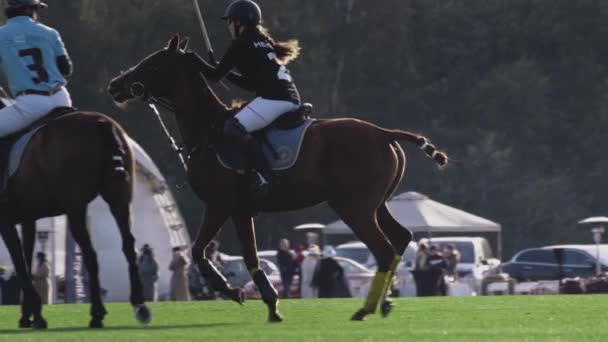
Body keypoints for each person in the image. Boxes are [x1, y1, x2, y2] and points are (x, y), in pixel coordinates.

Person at [191, 0, 301, 196]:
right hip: (290, 99)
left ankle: (265, 176)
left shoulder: (241, 44)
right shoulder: (263, 41)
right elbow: (251, 84)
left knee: (232, 127)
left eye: (230, 22)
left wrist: (193, 59)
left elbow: (214, 76)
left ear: (239, 23)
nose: (229, 27)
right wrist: (222, 71)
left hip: (273, 100)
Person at [0, 0, 73, 193]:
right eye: (35, 9)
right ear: (27, 9)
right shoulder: (50, 33)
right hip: (61, 98)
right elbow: (66, 70)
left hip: (30, 104)